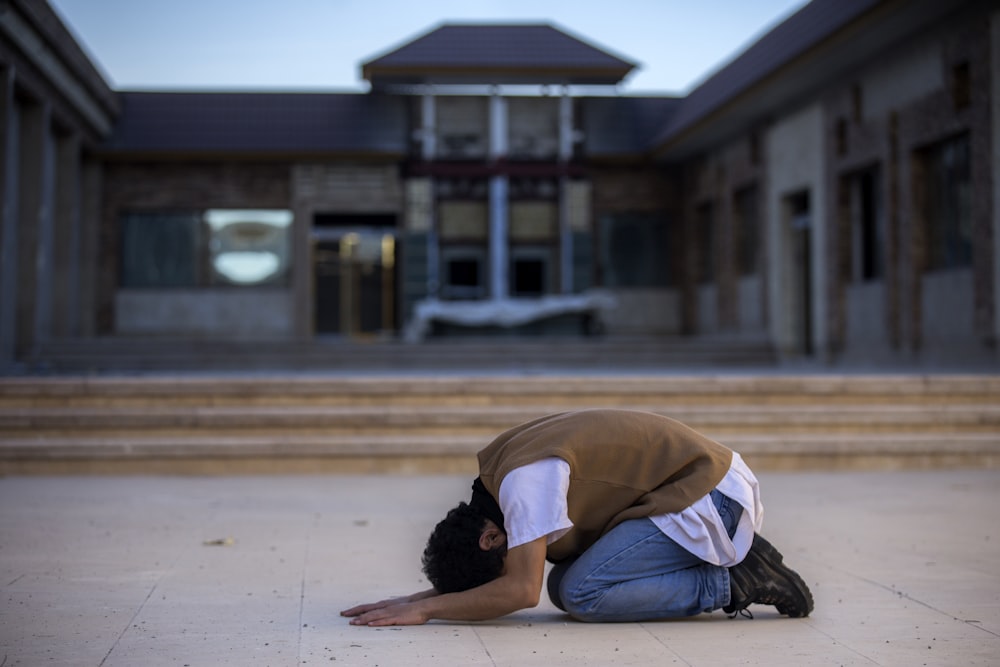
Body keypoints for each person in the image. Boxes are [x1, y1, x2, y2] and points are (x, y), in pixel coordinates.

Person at [341, 409, 813, 626]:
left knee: (582, 593)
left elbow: (520, 592)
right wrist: (417, 596)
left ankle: (734, 582)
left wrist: (425, 610)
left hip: (708, 495)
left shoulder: (523, 487)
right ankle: (724, 571)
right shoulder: (496, 484)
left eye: (498, 561)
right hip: (692, 486)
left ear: (490, 540)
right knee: (564, 585)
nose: (518, 559)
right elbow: (519, 582)